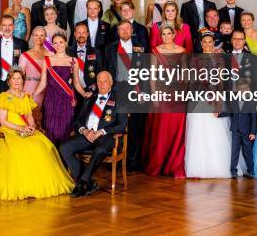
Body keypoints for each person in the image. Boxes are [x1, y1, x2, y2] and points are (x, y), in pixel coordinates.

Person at [0, 68, 74, 200]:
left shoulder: (26, 96)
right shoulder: (4, 97)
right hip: (10, 130)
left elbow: (30, 117)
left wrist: (32, 126)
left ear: (23, 81)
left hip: (25, 129)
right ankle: (23, 186)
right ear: (9, 81)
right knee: (20, 149)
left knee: (42, 145)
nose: (17, 81)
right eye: (14, 79)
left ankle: (38, 184)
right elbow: (3, 121)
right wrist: (20, 128)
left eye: (19, 78)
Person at [184, 31, 245, 179]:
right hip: (199, 99)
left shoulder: (219, 60)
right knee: (199, 133)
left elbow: (222, 82)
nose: (207, 45)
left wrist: (218, 97)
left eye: (210, 42)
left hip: (216, 98)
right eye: (204, 42)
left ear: (213, 43)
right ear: (200, 44)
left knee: (218, 131)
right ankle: (200, 167)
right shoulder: (194, 60)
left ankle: (220, 166)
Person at [59, 71, 128, 197]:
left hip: (105, 136)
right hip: (87, 135)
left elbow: (122, 125)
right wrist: (84, 131)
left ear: (111, 83)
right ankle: (88, 182)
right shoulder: (90, 99)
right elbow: (78, 121)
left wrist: (101, 131)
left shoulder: (119, 100)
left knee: (100, 149)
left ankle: (83, 182)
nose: (101, 84)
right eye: (99, 82)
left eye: (105, 81)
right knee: (64, 147)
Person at [142, 25, 187, 178]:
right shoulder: (156, 51)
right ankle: (159, 163)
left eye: (169, 33)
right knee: (162, 129)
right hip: (162, 94)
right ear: (160, 35)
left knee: (177, 130)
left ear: (174, 34)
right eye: (164, 34)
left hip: (178, 94)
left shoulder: (182, 50)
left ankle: (175, 164)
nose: (166, 36)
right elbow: (152, 75)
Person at [105, 20, 147, 171]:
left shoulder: (140, 47)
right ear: (117, 31)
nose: (124, 31)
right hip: (117, 91)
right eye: (121, 29)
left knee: (135, 127)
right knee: (117, 127)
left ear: (132, 29)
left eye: (127, 29)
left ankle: (133, 161)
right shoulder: (110, 48)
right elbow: (106, 70)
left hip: (136, 91)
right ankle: (116, 160)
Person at [34, 32, 90, 144]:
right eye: (55, 43)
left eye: (60, 42)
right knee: (50, 129)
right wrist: (32, 95)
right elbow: (43, 83)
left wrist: (84, 94)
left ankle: (64, 159)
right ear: (52, 45)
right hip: (51, 99)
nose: (58, 45)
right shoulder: (47, 60)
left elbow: (77, 83)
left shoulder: (74, 61)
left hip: (67, 100)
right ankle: (52, 159)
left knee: (66, 130)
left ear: (65, 43)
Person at [217, 79, 257, 179]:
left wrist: (253, 132)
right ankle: (233, 170)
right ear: (237, 90)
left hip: (246, 131)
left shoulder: (251, 102)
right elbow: (229, 111)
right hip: (235, 130)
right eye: (240, 89)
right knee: (234, 152)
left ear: (248, 89)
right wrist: (220, 114)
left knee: (247, 152)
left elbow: (254, 118)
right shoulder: (234, 100)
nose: (242, 91)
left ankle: (251, 170)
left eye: (244, 89)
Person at [0, 15, 29, 101]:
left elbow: (25, 69)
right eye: (4, 25)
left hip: (15, 85)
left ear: (14, 26)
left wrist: (23, 88)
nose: (7, 28)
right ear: (1, 26)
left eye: (10, 25)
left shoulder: (22, 44)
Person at [67, 23, 103, 93]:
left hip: (90, 89)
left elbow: (99, 72)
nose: (81, 35)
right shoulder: (67, 51)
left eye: (83, 32)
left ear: (87, 34)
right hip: (71, 89)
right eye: (78, 32)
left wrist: (93, 90)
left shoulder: (95, 52)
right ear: (74, 34)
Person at [18, 26, 49, 106]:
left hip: (48, 90)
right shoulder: (24, 55)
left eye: (42, 35)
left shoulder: (51, 54)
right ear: (32, 36)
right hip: (30, 90)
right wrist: (19, 93)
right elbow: (19, 77)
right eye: (36, 35)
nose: (39, 37)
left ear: (45, 37)